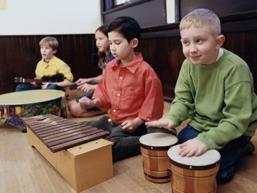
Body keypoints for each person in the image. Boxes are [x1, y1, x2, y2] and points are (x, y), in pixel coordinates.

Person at [146, 8, 257, 184]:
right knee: (177, 154)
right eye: (186, 42)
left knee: (216, 175)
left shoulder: (236, 69)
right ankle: (230, 148)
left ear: (218, 42)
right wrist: (172, 117)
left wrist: (207, 141)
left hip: (235, 128)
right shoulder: (188, 65)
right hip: (201, 123)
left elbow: (237, 119)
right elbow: (183, 100)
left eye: (199, 41)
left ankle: (242, 147)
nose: (192, 50)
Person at [80, 16, 164, 162]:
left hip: (133, 124)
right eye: (111, 42)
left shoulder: (146, 72)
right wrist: (93, 102)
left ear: (133, 43)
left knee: (109, 148)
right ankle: (115, 136)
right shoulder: (110, 67)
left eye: (117, 43)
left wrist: (137, 121)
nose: (112, 47)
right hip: (112, 119)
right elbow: (104, 92)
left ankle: (151, 141)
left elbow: (153, 102)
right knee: (82, 129)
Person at [68, 25, 115, 117]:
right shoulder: (105, 56)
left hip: (110, 93)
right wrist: (88, 80)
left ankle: (108, 109)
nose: (97, 42)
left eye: (100, 39)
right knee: (70, 104)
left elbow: (114, 84)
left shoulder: (115, 58)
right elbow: (104, 77)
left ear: (110, 39)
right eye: (96, 39)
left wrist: (93, 87)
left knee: (75, 109)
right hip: (102, 90)